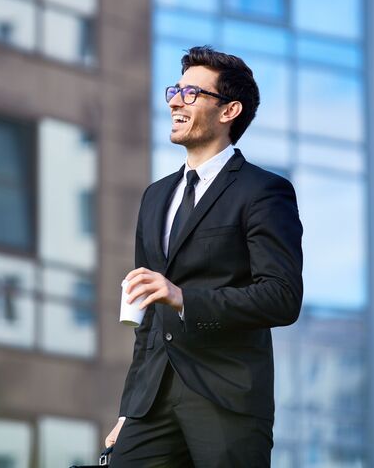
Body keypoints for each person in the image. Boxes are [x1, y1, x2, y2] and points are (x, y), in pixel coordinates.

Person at [104, 46, 303, 467]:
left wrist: (184, 297)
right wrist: (129, 407)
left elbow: (282, 296)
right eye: (175, 90)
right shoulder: (155, 196)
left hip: (225, 397)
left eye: (191, 92)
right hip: (151, 400)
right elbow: (147, 316)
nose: (175, 100)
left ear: (229, 110)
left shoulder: (263, 191)